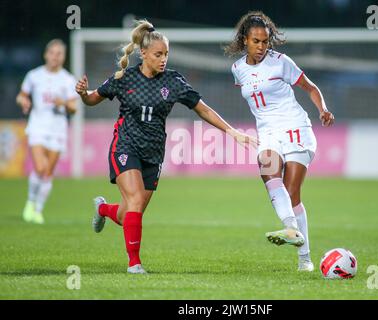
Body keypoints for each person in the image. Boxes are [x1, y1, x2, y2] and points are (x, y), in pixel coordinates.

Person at [75, 20, 257, 274]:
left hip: (154, 153)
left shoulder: (173, 82)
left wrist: (232, 131)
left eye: (166, 55)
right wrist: (84, 94)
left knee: (130, 211)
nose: (163, 60)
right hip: (125, 146)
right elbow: (93, 99)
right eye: (158, 55)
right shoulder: (124, 77)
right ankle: (134, 264)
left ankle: (103, 208)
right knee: (136, 201)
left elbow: (202, 109)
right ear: (144, 54)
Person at [225, 11, 335, 272]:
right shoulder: (237, 69)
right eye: (256, 41)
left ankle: (305, 259)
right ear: (244, 40)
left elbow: (310, 87)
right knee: (267, 170)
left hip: (295, 127)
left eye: (265, 41)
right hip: (268, 133)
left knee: (292, 192)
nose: (261, 47)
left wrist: (323, 109)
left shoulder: (281, 62)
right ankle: (291, 228)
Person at [16, 39, 78, 224]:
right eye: (52, 53)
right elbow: (22, 95)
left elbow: (74, 108)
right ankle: (30, 202)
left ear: (63, 57)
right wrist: (23, 101)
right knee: (40, 167)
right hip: (37, 126)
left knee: (48, 172)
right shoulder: (34, 76)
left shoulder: (68, 79)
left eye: (59, 54)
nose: (55, 57)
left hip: (58, 129)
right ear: (46, 54)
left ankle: (38, 210)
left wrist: (65, 103)